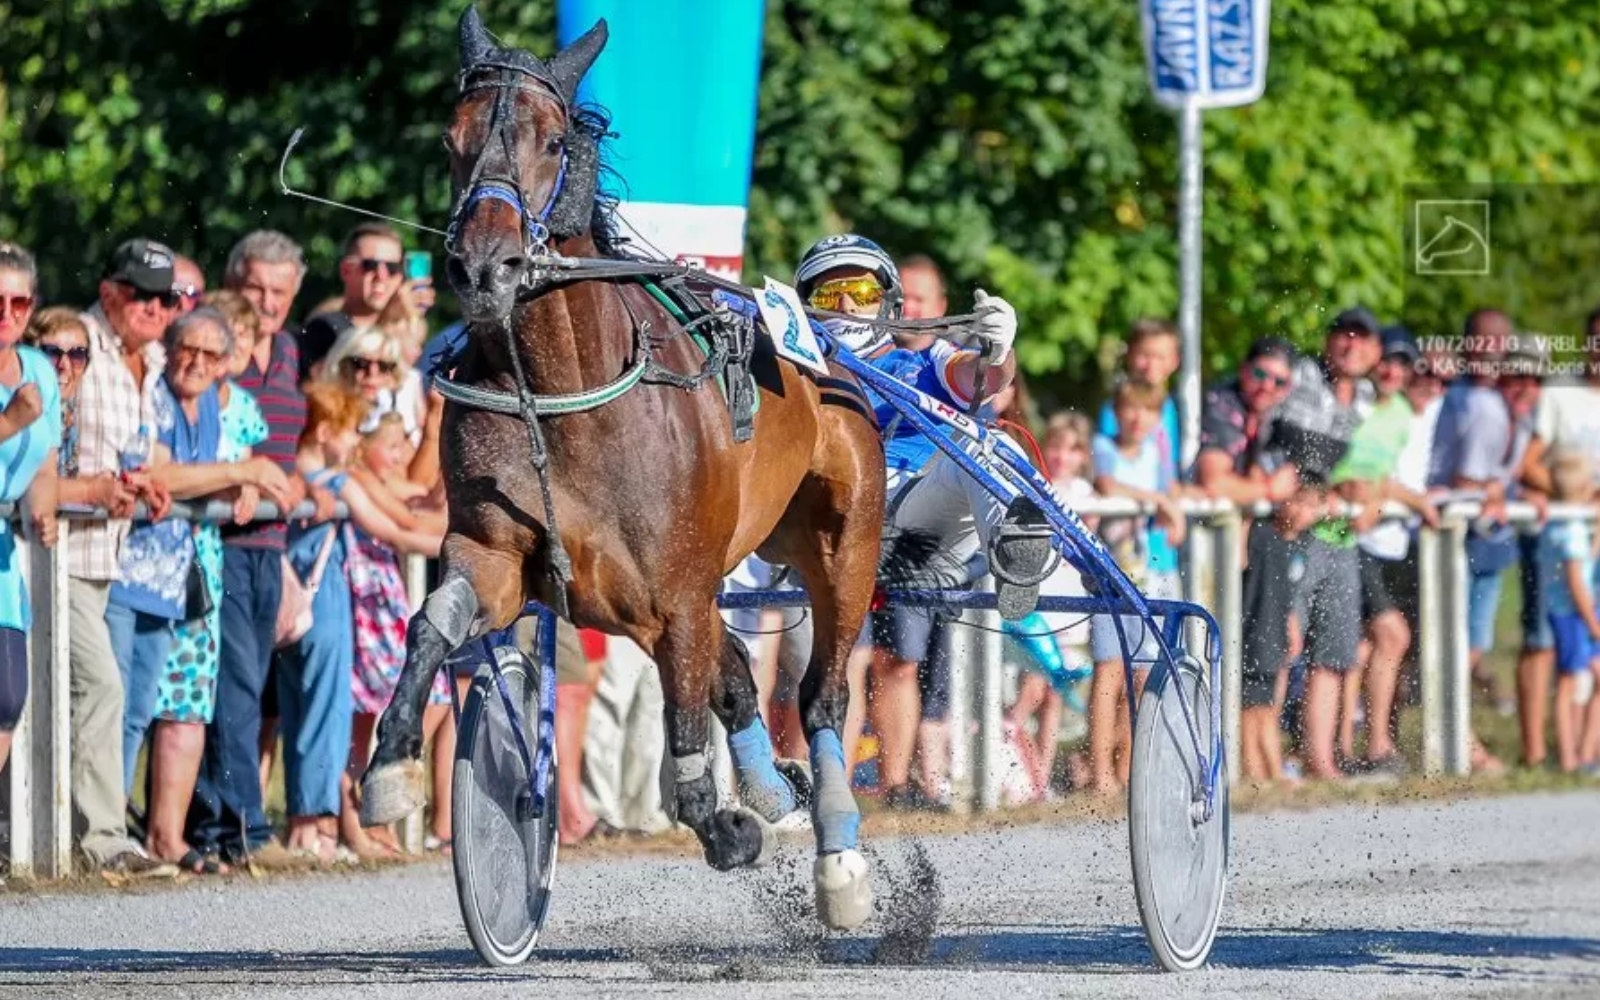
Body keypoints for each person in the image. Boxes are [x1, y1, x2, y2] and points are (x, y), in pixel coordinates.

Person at [787, 234, 1041, 812]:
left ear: (888, 305)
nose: (847, 305)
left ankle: (1014, 555)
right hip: (830, 529)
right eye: (832, 291)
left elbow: (983, 378)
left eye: (860, 291)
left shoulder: (920, 359)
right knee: (835, 662)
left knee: (992, 446)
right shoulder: (794, 378)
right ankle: (820, 790)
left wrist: (1000, 351)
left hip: (916, 518)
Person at [277, 382, 441, 862]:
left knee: (310, 712)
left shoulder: (300, 477)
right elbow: (397, 531)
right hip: (327, 600)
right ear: (326, 431)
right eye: (351, 431)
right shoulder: (335, 480)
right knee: (329, 716)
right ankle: (325, 826)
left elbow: (410, 512)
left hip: (306, 599)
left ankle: (319, 823)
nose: (354, 442)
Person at [71, 238, 181, 877]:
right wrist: (97, 484)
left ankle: (91, 832)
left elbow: (137, 450)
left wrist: (146, 480)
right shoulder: (76, 343)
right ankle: (102, 840)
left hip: (112, 552)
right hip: (62, 544)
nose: (158, 310)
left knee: (113, 692)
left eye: (168, 299)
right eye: (144, 296)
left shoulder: (153, 358)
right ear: (111, 292)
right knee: (102, 687)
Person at [1087, 379, 1188, 793]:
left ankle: (1131, 767)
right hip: (1112, 576)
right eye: (1129, 408)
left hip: (1153, 571)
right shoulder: (1105, 447)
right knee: (1109, 670)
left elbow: (1173, 492)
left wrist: (1172, 506)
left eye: (1147, 411)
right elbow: (1107, 485)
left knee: (1146, 676)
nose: (1137, 418)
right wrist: (1158, 501)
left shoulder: (1158, 453)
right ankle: (1099, 772)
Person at [0, 246, 63, 785]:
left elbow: (45, 460)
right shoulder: (23, 397)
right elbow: (22, 428)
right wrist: (9, 421)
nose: (6, 313)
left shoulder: (39, 369)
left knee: (6, 696)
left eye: (18, 302)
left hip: (2, 549)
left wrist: (41, 510)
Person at [1539, 449, 1600, 774]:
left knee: (1586, 678)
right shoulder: (1571, 531)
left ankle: (1587, 752)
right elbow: (1577, 583)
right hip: (1573, 615)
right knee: (1567, 684)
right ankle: (1570, 758)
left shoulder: (1562, 524)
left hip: (1575, 613)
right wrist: (1593, 623)